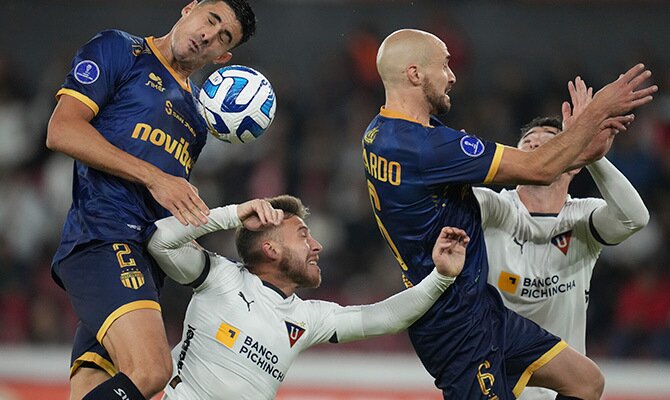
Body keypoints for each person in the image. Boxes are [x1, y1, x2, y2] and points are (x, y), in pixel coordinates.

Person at [362, 28, 657, 399]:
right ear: (415, 74)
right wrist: (597, 111)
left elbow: (629, 214)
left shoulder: (381, 133)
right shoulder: (435, 155)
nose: (452, 75)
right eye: (445, 65)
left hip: (481, 309)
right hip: (455, 326)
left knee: (587, 381)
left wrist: (587, 154)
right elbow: (538, 168)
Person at [45, 1, 256, 399]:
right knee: (152, 370)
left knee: (96, 385)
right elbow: (62, 130)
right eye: (210, 19)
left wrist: (185, 224)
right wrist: (155, 178)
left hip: (144, 261)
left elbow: (163, 197)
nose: (208, 34)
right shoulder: (119, 50)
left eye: (223, 37)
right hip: (103, 238)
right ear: (189, 8)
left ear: (223, 57)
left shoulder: (197, 121)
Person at [146, 195, 469, 399]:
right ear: (270, 249)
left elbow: (384, 317)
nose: (317, 246)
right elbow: (160, 240)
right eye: (303, 235)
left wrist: (441, 277)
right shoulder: (219, 277)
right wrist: (232, 214)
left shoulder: (308, 318)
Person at [476, 115, 649, 400]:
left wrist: (594, 157)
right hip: (499, 385)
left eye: (549, 143)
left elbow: (634, 219)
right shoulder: (496, 208)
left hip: (566, 388)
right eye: (527, 143)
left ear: (573, 165)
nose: (534, 146)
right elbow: (454, 202)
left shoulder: (581, 217)